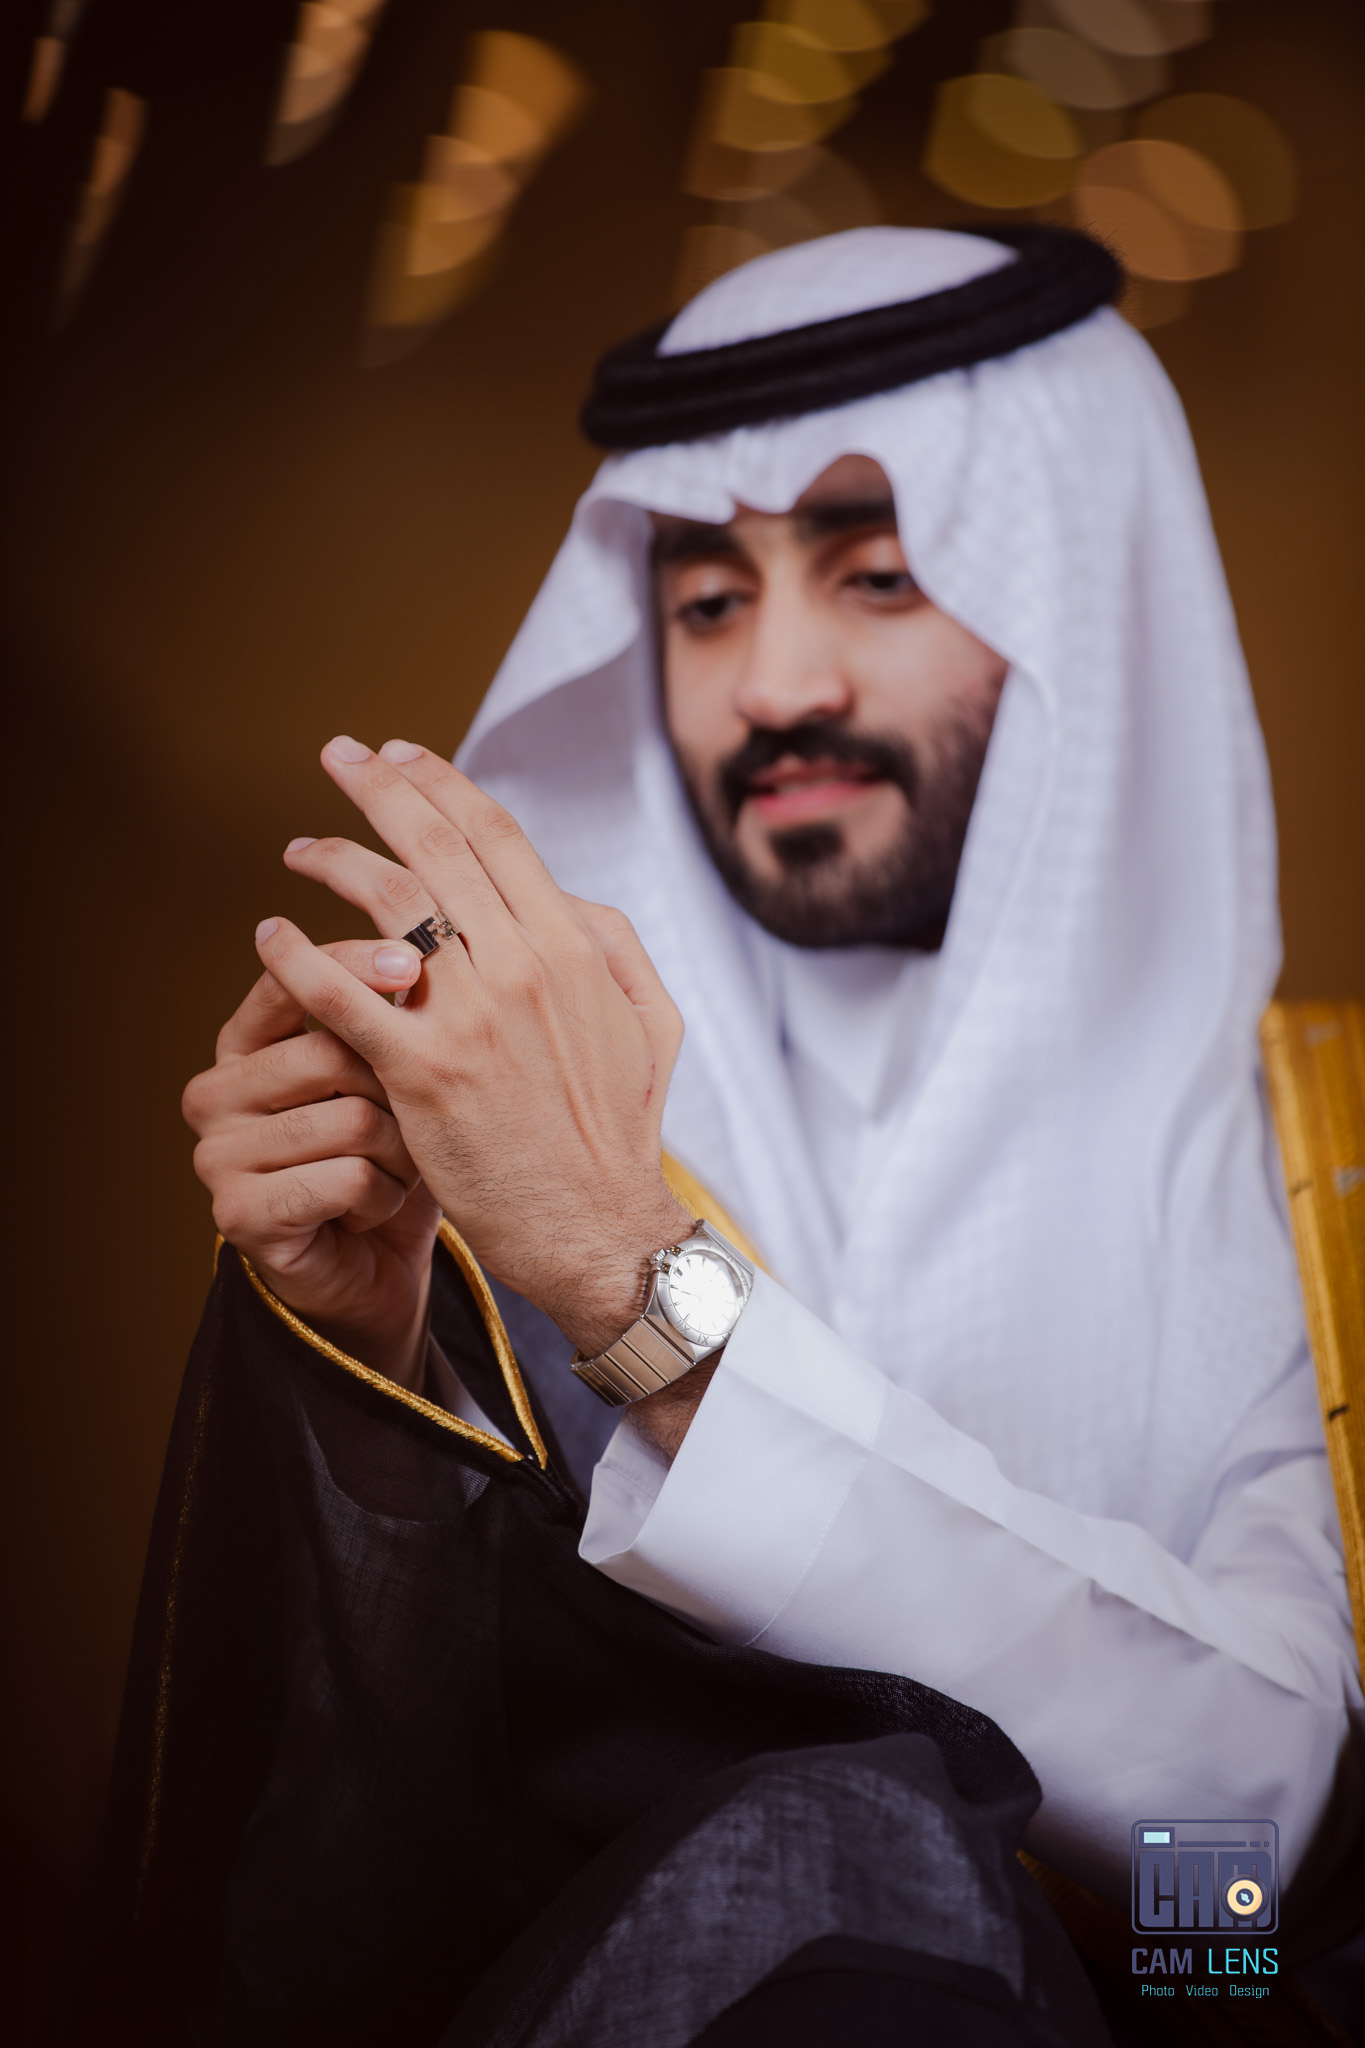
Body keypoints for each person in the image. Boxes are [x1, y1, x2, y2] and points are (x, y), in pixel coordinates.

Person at [77, 227, 1360, 2044]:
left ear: (1083, 595)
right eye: (704, 600)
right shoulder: (533, 1140)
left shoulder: (1320, 1167)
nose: (773, 685)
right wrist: (373, 1352)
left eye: (879, 576)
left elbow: (1256, 1866)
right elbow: (376, 1900)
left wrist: (636, 1296)